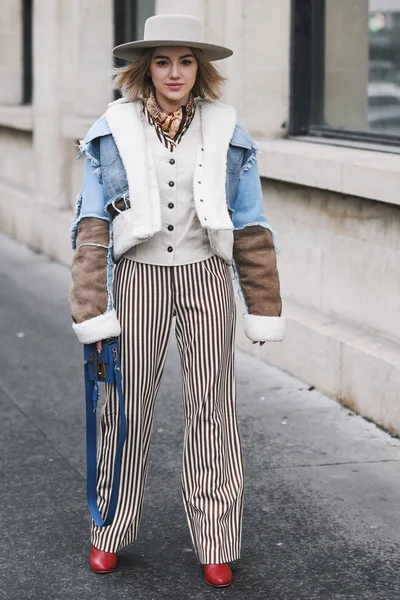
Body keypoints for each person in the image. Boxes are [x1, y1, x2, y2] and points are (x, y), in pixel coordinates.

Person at [69, 13, 284, 588]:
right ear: (144, 68)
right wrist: (90, 305)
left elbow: (251, 224)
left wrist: (263, 302)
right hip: (137, 280)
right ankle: (108, 529)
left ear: (200, 69)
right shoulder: (111, 131)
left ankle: (216, 540)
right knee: (125, 403)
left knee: (213, 409)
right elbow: (92, 224)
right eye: (162, 61)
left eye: (185, 61)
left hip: (206, 278)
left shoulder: (226, 131)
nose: (174, 72)